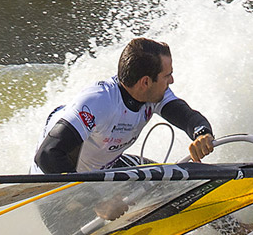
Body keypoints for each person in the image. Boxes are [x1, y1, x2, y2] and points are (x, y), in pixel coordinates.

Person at [32, 36, 215, 175]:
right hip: (57, 184)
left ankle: (238, 227)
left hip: (107, 168)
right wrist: (94, 201)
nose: (172, 81)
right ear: (145, 82)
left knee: (178, 183)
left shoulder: (153, 94)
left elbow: (186, 115)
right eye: (167, 76)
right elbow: (48, 155)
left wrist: (202, 133)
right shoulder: (99, 102)